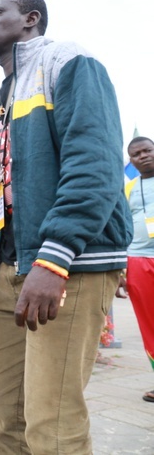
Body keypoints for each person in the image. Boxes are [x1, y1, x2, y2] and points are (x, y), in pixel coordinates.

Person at [0, 0, 132, 454]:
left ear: (31, 18)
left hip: (70, 265)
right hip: (12, 270)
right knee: (6, 413)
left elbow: (93, 164)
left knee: (51, 423)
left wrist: (54, 261)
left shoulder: (69, 62)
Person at [118, 136, 154, 403]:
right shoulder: (128, 188)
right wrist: (121, 266)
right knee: (149, 325)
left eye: (147, 150)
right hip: (138, 261)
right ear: (130, 161)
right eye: (136, 154)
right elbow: (122, 227)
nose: (142, 156)